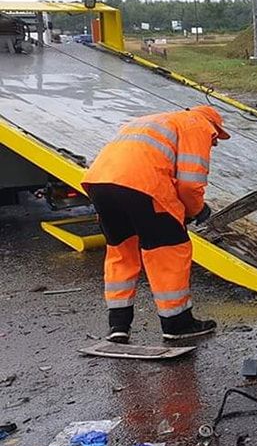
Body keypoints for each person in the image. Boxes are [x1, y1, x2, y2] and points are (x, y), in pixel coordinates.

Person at [82, 106, 228, 343]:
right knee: (168, 252)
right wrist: (198, 210)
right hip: (143, 186)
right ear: (214, 127)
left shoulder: (150, 121)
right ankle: (177, 324)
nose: (214, 144)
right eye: (215, 139)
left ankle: (118, 326)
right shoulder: (198, 125)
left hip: (100, 183)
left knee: (121, 252)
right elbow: (190, 184)